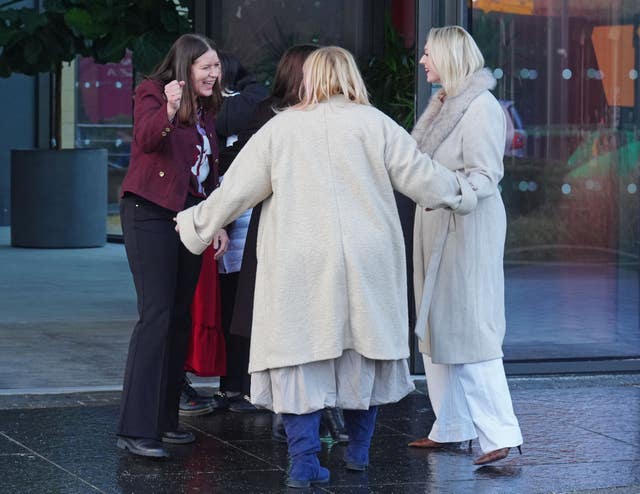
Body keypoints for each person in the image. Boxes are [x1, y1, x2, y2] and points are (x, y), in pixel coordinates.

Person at [176, 46, 477, 488]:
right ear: (351, 76)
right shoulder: (375, 124)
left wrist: (194, 225)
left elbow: (235, 190)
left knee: (299, 356)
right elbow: (423, 177)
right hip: (368, 256)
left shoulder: (281, 130)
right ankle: (357, 452)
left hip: (301, 257)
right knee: (363, 350)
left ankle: (303, 461)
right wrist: (464, 193)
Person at [407, 25, 523, 465]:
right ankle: (451, 425)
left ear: (450, 57)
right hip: (439, 223)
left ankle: (500, 433)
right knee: (439, 324)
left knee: (471, 325)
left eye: (428, 53)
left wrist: (446, 193)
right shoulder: (446, 103)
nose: (422, 61)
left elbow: (484, 176)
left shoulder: (480, 108)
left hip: (466, 226)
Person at [116, 33, 229, 458]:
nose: (215, 75)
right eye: (207, 68)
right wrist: (167, 107)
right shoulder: (151, 92)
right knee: (157, 316)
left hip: (188, 218)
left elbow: (206, 175)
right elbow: (147, 139)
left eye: (217, 67)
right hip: (148, 213)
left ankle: (164, 421)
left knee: (178, 318)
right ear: (186, 68)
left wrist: (215, 221)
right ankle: (135, 427)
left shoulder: (206, 109)